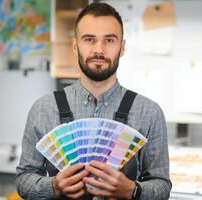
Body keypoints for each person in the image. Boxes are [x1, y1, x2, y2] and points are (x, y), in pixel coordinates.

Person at [16, 2, 171, 200]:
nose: (99, 49)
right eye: (89, 39)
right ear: (75, 45)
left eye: (110, 40)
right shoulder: (43, 109)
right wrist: (53, 186)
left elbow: (162, 186)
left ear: (122, 47)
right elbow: (23, 179)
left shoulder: (150, 112)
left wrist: (132, 190)